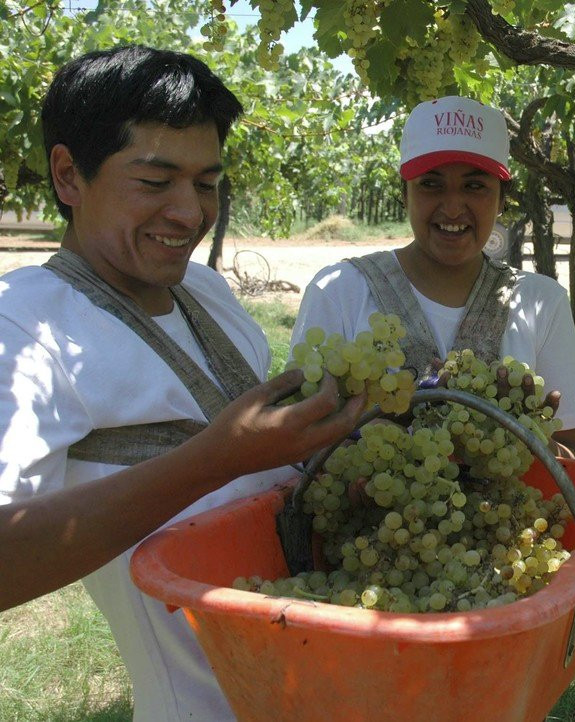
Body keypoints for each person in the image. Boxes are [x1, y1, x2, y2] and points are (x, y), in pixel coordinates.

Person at [0, 46, 365, 720]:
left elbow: (264, 480)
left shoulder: (203, 289)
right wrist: (214, 458)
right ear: (67, 175)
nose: (190, 211)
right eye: (155, 180)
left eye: (206, 182)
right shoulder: (24, 328)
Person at [290, 96, 575, 456]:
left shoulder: (541, 302)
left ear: (502, 199)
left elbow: (574, 455)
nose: (453, 207)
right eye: (431, 184)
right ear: (404, 195)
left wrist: (523, 438)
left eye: (474, 186)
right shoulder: (340, 291)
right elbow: (298, 445)